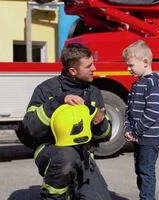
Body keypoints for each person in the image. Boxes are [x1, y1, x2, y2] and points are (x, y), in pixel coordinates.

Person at [22, 43, 112, 200]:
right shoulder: (46, 90)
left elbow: (105, 136)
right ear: (73, 71)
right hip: (50, 149)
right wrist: (57, 102)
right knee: (67, 157)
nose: (94, 68)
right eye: (89, 65)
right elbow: (30, 127)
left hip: (82, 153)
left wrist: (101, 122)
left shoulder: (93, 93)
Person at [122, 40, 159, 200]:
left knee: (146, 171)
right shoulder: (136, 84)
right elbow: (129, 110)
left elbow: (154, 112)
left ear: (146, 62)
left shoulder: (153, 83)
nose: (128, 69)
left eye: (131, 65)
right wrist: (127, 129)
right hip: (138, 136)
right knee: (140, 170)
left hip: (149, 137)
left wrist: (135, 131)